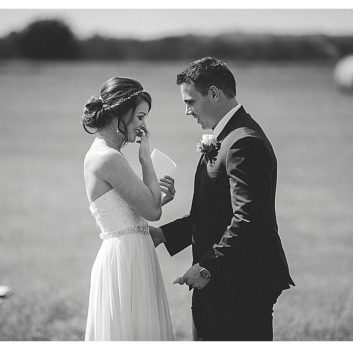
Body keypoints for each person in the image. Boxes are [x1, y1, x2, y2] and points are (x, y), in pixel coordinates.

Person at [150, 57, 294, 340]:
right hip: (227, 279)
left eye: (190, 102)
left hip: (240, 283)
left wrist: (206, 267)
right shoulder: (228, 135)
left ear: (214, 93)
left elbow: (248, 220)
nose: (187, 111)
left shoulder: (243, 142)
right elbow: (214, 212)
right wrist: (163, 235)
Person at [82, 77, 176, 340]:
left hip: (132, 253)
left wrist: (158, 198)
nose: (144, 125)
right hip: (125, 259)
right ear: (121, 113)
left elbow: (139, 208)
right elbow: (152, 212)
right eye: (140, 117)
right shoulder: (108, 157)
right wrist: (146, 159)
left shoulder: (106, 153)